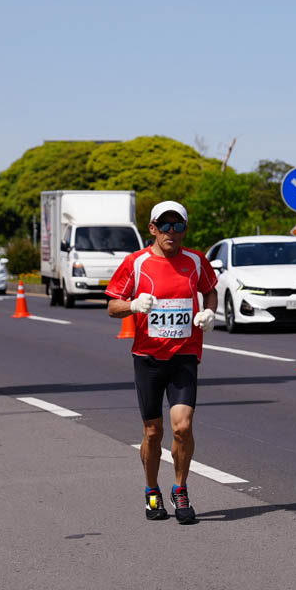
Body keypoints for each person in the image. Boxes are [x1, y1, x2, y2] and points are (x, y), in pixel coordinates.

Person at [106, 201, 218, 524]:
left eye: (178, 225)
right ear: (152, 228)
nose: (172, 232)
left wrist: (209, 311)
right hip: (148, 358)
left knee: (182, 426)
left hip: (184, 355)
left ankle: (180, 489)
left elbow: (210, 290)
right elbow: (112, 306)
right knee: (153, 432)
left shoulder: (196, 261)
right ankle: (151, 489)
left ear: (185, 228)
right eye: (164, 226)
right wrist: (133, 304)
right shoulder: (136, 263)